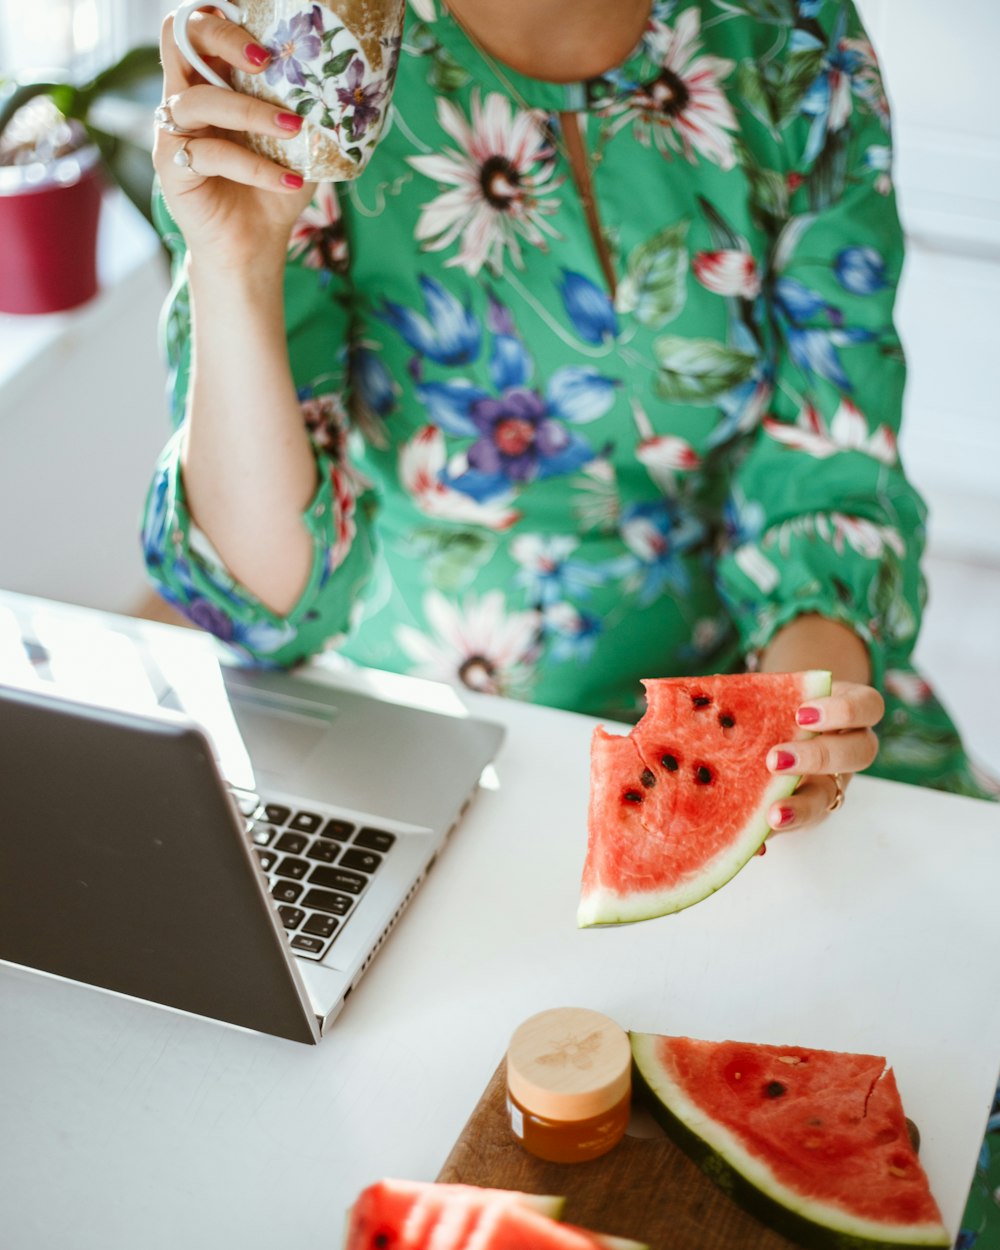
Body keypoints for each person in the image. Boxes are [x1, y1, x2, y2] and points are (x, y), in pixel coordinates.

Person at [146, 2, 997, 1233]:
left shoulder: (793, 42)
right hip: (425, 740)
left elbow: (829, 463)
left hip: (738, 668)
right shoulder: (308, 45)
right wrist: (233, 260)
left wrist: (801, 703)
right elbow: (268, 600)